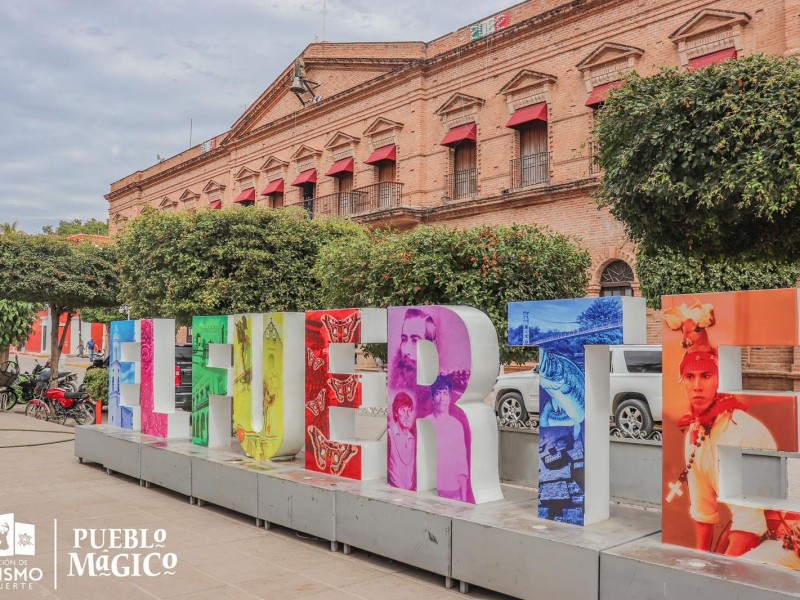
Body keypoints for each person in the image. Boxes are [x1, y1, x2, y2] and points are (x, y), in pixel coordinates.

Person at [676, 349, 800, 569]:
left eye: (706, 376)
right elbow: (704, 512)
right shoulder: (694, 435)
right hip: (753, 525)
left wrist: (717, 576)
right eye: (689, 377)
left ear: (719, 380)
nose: (697, 386)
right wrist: (701, 567)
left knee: (732, 571)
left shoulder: (741, 430)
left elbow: (750, 527)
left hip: (788, 532)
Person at [425, 374, 469, 501]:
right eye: (438, 393)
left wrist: (464, 499)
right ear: (432, 398)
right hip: (430, 492)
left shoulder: (457, 426)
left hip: (453, 493)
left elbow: (461, 467)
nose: (441, 398)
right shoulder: (426, 423)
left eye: (445, 393)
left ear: (450, 397)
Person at [388, 392, 416, 490]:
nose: (407, 415)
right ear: (396, 413)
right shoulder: (389, 435)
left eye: (409, 410)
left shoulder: (414, 439)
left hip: (411, 494)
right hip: (394, 493)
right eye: (402, 411)